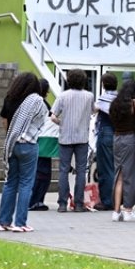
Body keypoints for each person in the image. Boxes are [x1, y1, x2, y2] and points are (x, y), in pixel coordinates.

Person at [0, 72, 47, 232]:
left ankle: (3, 222)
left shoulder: (9, 98)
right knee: (26, 184)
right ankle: (20, 223)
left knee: (10, 183)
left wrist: (11, 136)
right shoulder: (37, 101)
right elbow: (42, 120)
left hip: (12, 144)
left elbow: (4, 121)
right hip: (29, 144)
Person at [51, 69, 94, 212]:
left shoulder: (63, 96)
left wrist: (61, 123)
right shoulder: (89, 96)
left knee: (63, 170)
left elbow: (53, 116)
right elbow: (93, 111)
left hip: (65, 137)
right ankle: (79, 203)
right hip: (82, 137)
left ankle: (62, 203)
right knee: (81, 170)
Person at [109, 79, 135, 222]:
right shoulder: (134, 103)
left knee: (119, 174)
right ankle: (128, 210)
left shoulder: (115, 104)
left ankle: (116, 210)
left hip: (117, 138)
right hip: (130, 139)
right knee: (130, 174)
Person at [92, 72, 118, 211]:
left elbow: (94, 109)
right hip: (118, 135)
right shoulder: (119, 97)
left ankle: (107, 201)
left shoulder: (104, 98)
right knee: (115, 168)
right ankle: (117, 198)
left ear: (103, 84)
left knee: (105, 168)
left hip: (105, 133)